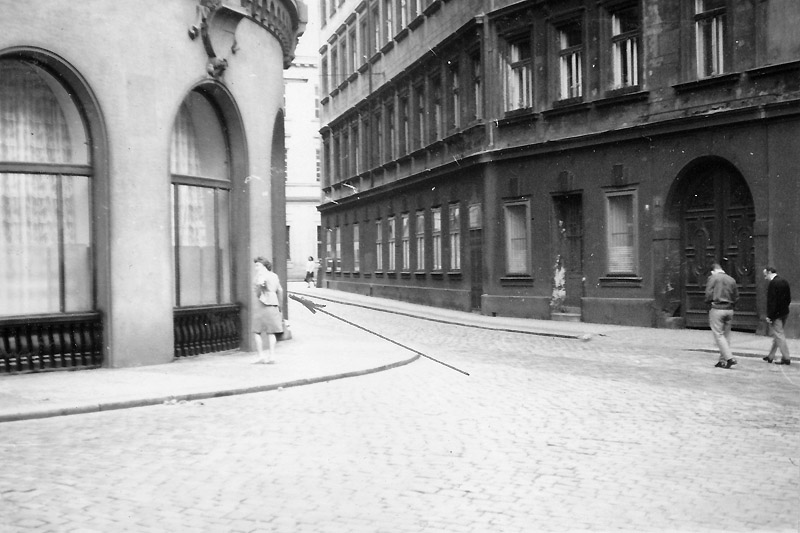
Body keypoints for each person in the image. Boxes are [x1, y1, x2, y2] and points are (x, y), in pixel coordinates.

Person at [705, 263, 739, 369]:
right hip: (729, 309)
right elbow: (736, 296)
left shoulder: (713, 278)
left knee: (718, 335)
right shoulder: (731, 279)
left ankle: (729, 358)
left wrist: (708, 304)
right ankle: (722, 360)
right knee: (726, 336)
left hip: (717, 308)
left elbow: (708, 294)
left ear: (713, 271)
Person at [252, 257, 284, 364]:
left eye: (258, 265)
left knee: (257, 332)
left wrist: (259, 287)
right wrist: (279, 305)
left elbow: (257, 292)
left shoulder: (259, 277)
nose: (256, 268)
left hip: (261, 305)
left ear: (264, 266)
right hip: (273, 304)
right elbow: (280, 290)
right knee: (271, 332)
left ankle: (261, 355)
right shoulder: (274, 276)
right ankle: (272, 356)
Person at [762, 266, 792, 365]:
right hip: (784, 312)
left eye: (765, 275)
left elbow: (772, 302)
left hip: (776, 314)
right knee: (778, 334)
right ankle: (771, 356)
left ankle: (786, 357)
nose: (765, 277)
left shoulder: (773, 283)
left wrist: (770, 316)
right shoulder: (784, 281)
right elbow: (788, 298)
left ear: (770, 272)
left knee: (779, 335)